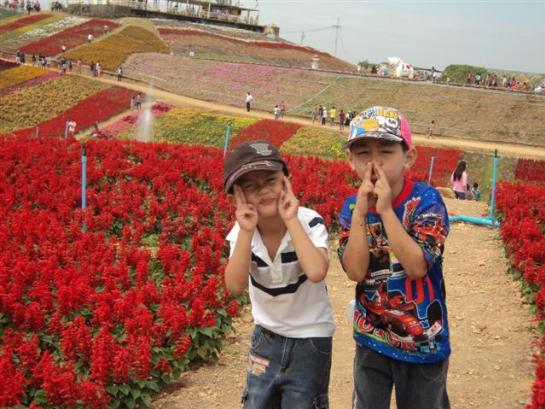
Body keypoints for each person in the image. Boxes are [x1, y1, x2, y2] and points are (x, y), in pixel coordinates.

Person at [338, 106, 451, 409]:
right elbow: (355, 270)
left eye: (386, 152)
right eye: (363, 154)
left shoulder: (426, 201)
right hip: (371, 337)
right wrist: (361, 214)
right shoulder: (351, 208)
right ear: (350, 159)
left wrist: (386, 211)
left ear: (408, 157)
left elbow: (417, 267)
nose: (374, 163)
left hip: (423, 342)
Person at [223, 141, 335, 409]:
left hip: (310, 339)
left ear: (286, 181)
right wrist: (246, 231)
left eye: (271, 180)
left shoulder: (309, 221)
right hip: (266, 337)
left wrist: (291, 219)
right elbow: (235, 286)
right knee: (257, 403)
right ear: (235, 198)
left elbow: (316, 271)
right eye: (251, 186)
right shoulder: (242, 234)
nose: (263, 190)